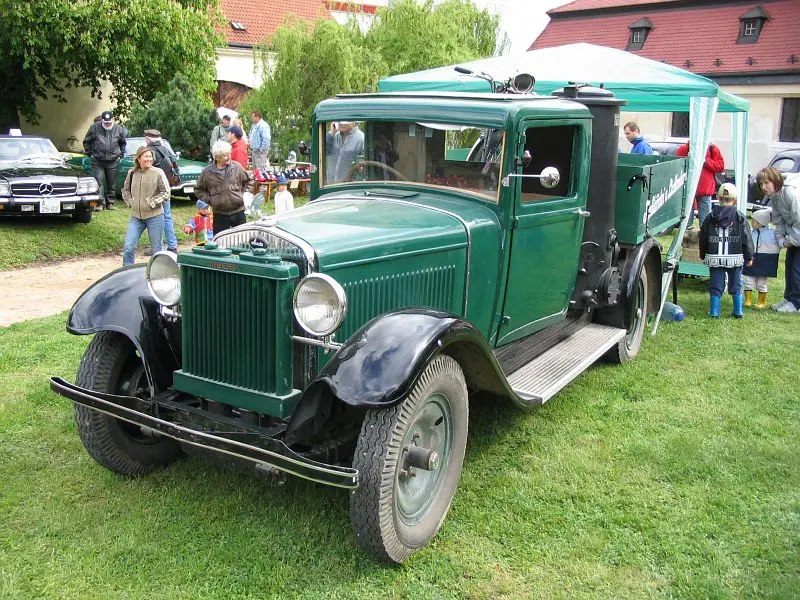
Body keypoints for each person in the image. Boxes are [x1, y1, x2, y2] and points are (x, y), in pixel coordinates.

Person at [699, 182, 753, 318]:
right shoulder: (740, 217)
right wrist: (749, 257)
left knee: (716, 284)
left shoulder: (709, 217)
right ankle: (738, 310)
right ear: (734, 200)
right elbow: (746, 239)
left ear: (718, 197)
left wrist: (702, 253)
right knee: (736, 283)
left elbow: (703, 237)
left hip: (715, 256)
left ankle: (714, 311)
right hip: (735, 257)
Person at [756, 166, 800, 313]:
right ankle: (789, 299)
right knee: (789, 266)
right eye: (761, 184)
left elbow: (798, 220)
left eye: (766, 183)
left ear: (775, 180)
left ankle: (796, 303)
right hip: (793, 237)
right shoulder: (774, 197)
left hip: (797, 235)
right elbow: (779, 220)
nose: (763, 187)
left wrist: (790, 240)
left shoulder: (789, 193)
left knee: (796, 268)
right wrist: (780, 238)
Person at [120, 146, 168, 266]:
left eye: (150, 156)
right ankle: (127, 272)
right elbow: (125, 191)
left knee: (157, 249)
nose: (148, 159)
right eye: (146, 156)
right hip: (136, 217)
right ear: (139, 158)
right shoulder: (132, 173)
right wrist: (132, 202)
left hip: (155, 216)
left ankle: (158, 273)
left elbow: (166, 192)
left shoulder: (158, 173)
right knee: (128, 247)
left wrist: (152, 202)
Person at [195, 140, 254, 234]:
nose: (229, 157)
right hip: (220, 215)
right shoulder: (207, 172)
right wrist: (211, 200)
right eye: (225, 155)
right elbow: (199, 190)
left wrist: (243, 195)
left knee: (241, 241)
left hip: (239, 212)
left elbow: (249, 181)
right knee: (221, 243)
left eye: (229, 154)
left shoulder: (237, 167)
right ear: (218, 157)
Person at [82, 110, 126, 210]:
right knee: (98, 182)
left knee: (111, 183)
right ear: (102, 120)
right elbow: (86, 141)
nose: (107, 124)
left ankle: (110, 203)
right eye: (105, 122)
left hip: (113, 160)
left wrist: (120, 155)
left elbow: (123, 143)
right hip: (97, 160)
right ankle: (99, 204)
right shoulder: (94, 127)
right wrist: (90, 154)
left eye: (109, 122)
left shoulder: (119, 129)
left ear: (112, 120)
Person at [676, 138, 725, 228]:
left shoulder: (712, 148)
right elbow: (677, 165)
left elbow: (720, 166)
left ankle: (703, 235)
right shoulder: (684, 149)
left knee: (705, 222)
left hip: (704, 189)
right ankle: (687, 234)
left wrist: (706, 161)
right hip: (689, 188)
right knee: (687, 220)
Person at [144, 129, 179, 252]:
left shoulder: (150, 152)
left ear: (148, 139)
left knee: (154, 218)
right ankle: (172, 245)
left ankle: (156, 248)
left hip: (155, 189)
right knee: (167, 216)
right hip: (166, 187)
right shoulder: (166, 150)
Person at [742, 208, 780, 309]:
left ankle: (761, 302)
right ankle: (748, 300)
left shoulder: (772, 234)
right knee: (748, 281)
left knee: (761, 284)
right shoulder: (750, 233)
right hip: (752, 260)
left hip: (765, 262)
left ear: (760, 223)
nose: (751, 223)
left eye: (753, 221)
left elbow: (780, 243)